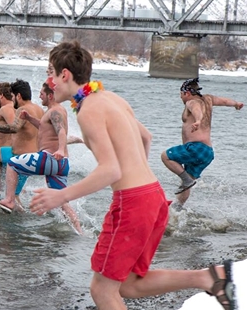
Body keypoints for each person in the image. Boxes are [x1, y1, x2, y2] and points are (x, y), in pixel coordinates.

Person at [29, 41, 237, 310]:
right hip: (152, 196)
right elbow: (145, 137)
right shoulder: (110, 98)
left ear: (65, 74)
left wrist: (61, 195)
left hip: (134, 202)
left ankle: (209, 278)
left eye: (51, 74)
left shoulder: (88, 111)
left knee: (102, 290)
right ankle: (208, 278)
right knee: (127, 284)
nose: (49, 82)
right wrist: (137, 174)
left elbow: (110, 170)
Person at [0, 78, 82, 234]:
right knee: (62, 202)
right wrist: (29, 119)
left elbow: (61, 131)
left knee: (12, 163)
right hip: (61, 164)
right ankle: (79, 230)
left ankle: (9, 200)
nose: (39, 96)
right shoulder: (54, 111)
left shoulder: (55, 111)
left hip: (51, 158)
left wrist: (60, 149)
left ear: (50, 95)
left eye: (42, 93)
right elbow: (45, 128)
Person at [161, 78, 244, 207]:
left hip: (196, 148)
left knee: (165, 156)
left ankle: (186, 181)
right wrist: (236, 103)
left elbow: (197, 110)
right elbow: (225, 101)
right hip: (207, 152)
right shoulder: (208, 99)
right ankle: (177, 208)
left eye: (181, 95)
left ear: (187, 93)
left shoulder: (191, 102)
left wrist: (198, 120)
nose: (181, 98)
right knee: (186, 186)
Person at [0, 79, 45, 200]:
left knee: (14, 197)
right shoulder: (39, 110)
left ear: (18, 96)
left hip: (22, 158)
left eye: (13, 96)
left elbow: (14, 128)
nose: (12, 99)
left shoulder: (22, 110)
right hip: (34, 156)